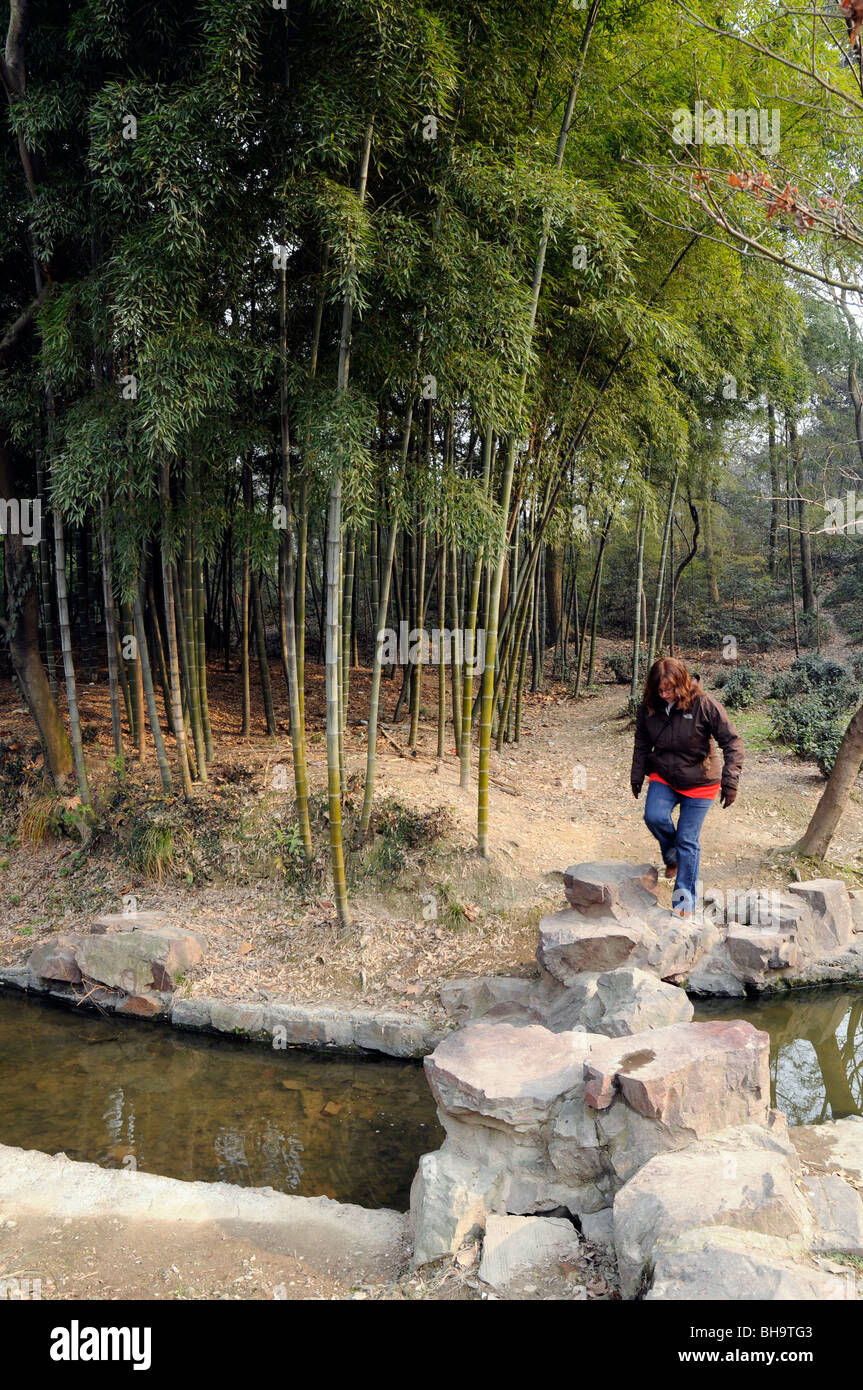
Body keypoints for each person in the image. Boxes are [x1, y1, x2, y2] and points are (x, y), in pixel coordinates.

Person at [630, 657, 744, 918]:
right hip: (665, 774)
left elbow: (733, 742)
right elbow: (642, 743)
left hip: (701, 781)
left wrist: (730, 780)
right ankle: (672, 857)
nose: (664, 694)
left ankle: (684, 902)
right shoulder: (650, 706)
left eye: (669, 689)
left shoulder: (704, 704)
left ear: (681, 684)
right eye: (659, 690)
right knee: (654, 817)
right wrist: (637, 775)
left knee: (687, 840)